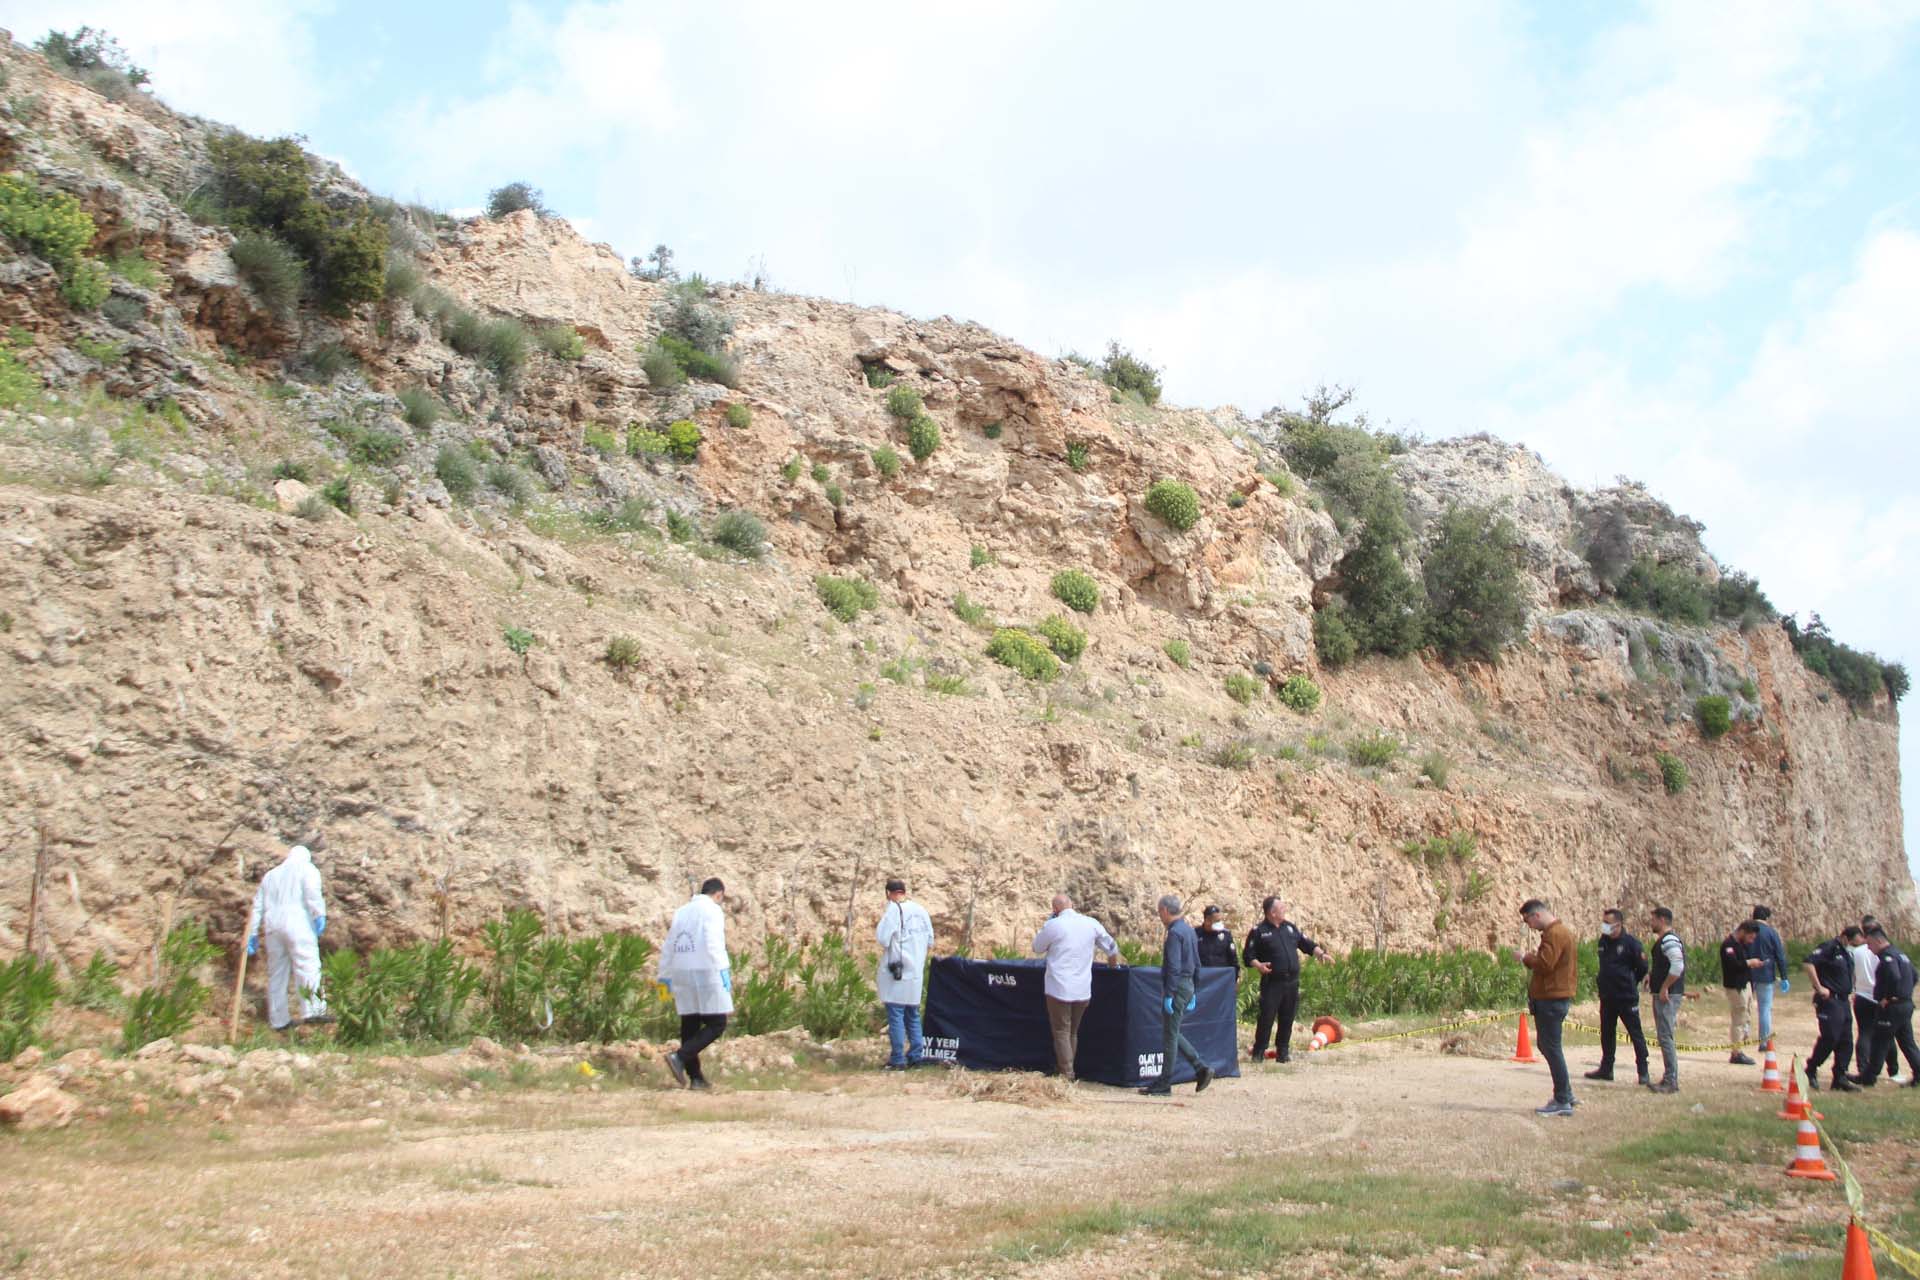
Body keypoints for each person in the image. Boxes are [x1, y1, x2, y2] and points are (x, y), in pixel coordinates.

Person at [1031, 892, 1120, 1081]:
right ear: (1072, 904)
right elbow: (1112, 947)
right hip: (1082, 987)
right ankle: (1067, 1069)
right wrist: (1113, 966)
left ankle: (1067, 1074)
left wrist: (1048, 922)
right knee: (1072, 1032)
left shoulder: (1054, 925)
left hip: (1059, 987)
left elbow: (1037, 948)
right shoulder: (1091, 923)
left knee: (1061, 1031)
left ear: (1055, 909)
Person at [243, 843, 330, 1032]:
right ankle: (313, 1011)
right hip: (298, 923)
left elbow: (257, 906)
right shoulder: (307, 868)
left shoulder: (270, 875)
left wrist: (252, 933)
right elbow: (312, 893)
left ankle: (279, 1020)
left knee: (277, 973)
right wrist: (319, 914)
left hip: (273, 926)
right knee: (307, 965)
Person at [659, 878, 731, 1089]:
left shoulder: (682, 911)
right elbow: (713, 942)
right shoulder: (713, 910)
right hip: (705, 971)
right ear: (719, 894)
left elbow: (670, 945)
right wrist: (723, 970)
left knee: (690, 1024)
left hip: (682, 972)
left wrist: (664, 979)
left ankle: (696, 1078)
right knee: (717, 1023)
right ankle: (679, 1057)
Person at [1241, 897, 1331, 1064]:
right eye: (1281, 908)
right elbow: (1248, 956)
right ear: (1272, 912)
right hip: (1272, 982)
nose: (1285, 910)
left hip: (1291, 982)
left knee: (1287, 1017)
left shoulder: (1289, 927)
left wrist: (1321, 954)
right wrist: (1258, 965)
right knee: (1266, 1018)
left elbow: (1306, 943)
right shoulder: (1259, 931)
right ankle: (1259, 1053)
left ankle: (1283, 1052)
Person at [1142, 895, 1213, 1096]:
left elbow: (1174, 966)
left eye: (1159, 912)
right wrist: (1194, 989)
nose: (1160, 916)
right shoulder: (1189, 930)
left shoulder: (1174, 933)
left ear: (1165, 910)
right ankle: (1199, 1067)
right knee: (1172, 1031)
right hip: (1187, 984)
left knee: (1170, 1035)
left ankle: (1166, 1082)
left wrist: (1170, 993)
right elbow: (1197, 962)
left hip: (1178, 985)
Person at [1516, 899, 1577, 1115]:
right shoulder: (1559, 932)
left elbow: (1545, 964)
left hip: (1551, 999)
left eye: (1528, 921)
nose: (1529, 926)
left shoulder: (1554, 934)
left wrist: (1525, 957)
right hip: (1554, 997)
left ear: (1537, 915)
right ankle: (1566, 1093)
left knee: (1551, 1047)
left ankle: (1562, 1099)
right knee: (1549, 1046)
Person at [875, 877, 934, 1071]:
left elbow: (883, 938)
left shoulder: (894, 910)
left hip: (897, 971)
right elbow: (930, 941)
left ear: (888, 893)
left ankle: (898, 1058)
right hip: (915, 972)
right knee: (912, 1015)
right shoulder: (921, 911)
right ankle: (916, 1056)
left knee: (896, 1014)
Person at [1586, 908, 1650, 1086]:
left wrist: (1630, 981)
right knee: (1607, 1033)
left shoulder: (1631, 944)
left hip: (1626, 996)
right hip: (1608, 996)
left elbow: (1642, 968)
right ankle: (1606, 1069)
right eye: (1603, 922)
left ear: (1618, 924)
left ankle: (1643, 1071)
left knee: (1635, 1034)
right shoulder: (1603, 941)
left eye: (1608, 923)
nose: (1604, 926)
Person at [1855, 926, 1920, 1088]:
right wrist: (1904, 994)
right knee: (1907, 1042)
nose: (1869, 948)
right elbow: (1914, 975)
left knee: (1880, 1041)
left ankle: (1868, 1077)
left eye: (1870, 944)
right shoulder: (1900, 954)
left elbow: (1893, 975)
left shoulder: (1887, 957)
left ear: (1879, 941)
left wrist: (1888, 997)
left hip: (1892, 1008)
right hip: (1905, 1005)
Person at [1804, 926, 1862, 1092]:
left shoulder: (1846, 953)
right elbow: (1808, 963)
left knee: (1846, 1040)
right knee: (1830, 1037)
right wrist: (1819, 987)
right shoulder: (1829, 947)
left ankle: (1840, 1077)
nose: (1854, 946)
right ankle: (1811, 1069)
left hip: (1843, 1001)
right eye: (1853, 943)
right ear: (1845, 938)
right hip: (1829, 1001)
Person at [1647, 907, 1686, 1093]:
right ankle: (1669, 1077)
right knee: (1663, 1035)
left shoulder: (1669, 940)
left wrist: (1664, 987)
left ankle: (1671, 1080)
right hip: (1663, 993)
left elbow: (1677, 965)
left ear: (1662, 920)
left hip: (1668, 995)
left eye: (1653, 919)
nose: (1651, 923)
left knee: (1665, 1035)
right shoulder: (1664, 941)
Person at [1858, 915, 1900, 1081]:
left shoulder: (1858, 951)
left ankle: (1863, 1068)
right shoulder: (1882, 951)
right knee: (1887, 1035)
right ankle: (1893, 1070)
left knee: (1864, 1033)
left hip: (1862, 995)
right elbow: (1891, 974)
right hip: (1880, 998)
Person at [1718, 921, 1764, 1065]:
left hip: (1746, 985)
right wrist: (1750, 963)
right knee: (1738, 1018)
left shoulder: (1743, 945)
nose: (1751, 941)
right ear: (1743, 932)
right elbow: (1734, 965)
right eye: (1750, 937)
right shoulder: (1728, 945)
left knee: (1746, 1016)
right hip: (1735, 987)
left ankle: (1739, 1047)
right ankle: (1736, 1053)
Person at [1750, 905, 1789, 1047]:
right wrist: (1784, 976)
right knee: (1764, 1009)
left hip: (1747, 973)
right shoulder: (1771, 932)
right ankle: (1764, 1042)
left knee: (1745, 1007)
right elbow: (1780, 956)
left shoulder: (1747, 930)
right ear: (1767, 918)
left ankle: (1742, 1038)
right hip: (1766, 974)